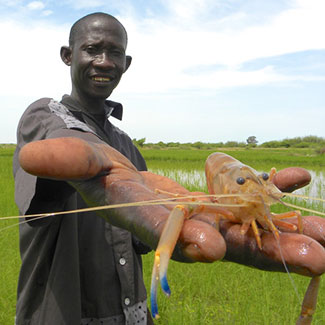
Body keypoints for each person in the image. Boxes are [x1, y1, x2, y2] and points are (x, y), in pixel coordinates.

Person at [13, 12, 325, 325]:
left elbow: (144, 228)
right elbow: (62, 147)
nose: (105, 61)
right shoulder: (42, 118)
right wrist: (86, 157)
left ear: (127, 62)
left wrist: (205, 216)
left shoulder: (124, 143)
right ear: (68, 56)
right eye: (93, 49)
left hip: (133, 315)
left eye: (115, 53)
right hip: (61, 315)